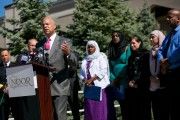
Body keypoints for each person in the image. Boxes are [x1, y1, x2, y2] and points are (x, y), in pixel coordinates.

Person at [37, 16, 78, 120]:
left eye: (47, 24)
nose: (45, 26)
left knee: (60, 117)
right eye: (43, 24)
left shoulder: (64, 41)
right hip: (44, 87)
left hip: (59, 86)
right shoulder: (40, 44)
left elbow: (74, 63)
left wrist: (68, 53)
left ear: (54, 26)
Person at [157, 9, 180, 120]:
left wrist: (168, 61)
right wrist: (162, 60)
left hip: (177, 73)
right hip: (168, 74)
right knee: (170, 106)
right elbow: (161, 50)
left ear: (178, 19)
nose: (167, 19)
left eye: (170, 17)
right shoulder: (169, 34)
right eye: (167, 17)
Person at [80, 40, 110, 120]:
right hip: (88, 87)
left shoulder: (100, 57)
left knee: (98, 109)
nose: (90, 48)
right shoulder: (85, 59)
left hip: (98, 87)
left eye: (92, 47)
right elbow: (81, 74)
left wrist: (92, 79)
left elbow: (103, 70)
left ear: (96, 48)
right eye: (88, 47)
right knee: (89, 108)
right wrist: (85, 80)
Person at [107, 31, 131, 120]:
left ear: (121, 37)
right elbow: (110, 67)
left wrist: (119, 78)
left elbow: (128, 64)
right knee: (119, 105)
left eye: (117, 36)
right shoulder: (112, 49)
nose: (115, 37)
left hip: (125, 81)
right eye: (113, 36)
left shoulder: (127, 48)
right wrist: (113, 79)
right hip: (115, 82)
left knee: (126, 106)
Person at [15, 38, 40, 120]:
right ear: (28, 46)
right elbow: (18, 68)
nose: (34, 47)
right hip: (26, 87)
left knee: (37, 109)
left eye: (35, 45)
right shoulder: (22, 56)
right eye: (32, 45)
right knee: (27, 111)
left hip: (39, 87)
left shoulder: (41, 56)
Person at [126, 36, 151, 120]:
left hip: (143, 86)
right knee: (134, 112)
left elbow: (145, 70)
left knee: (144, 111)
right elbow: (129, 71)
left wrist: (135, 81)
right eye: (131, 43)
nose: (132, 45)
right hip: (132, 88)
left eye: (134, 43)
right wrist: (130, 81)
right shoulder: (131, 57)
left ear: (139, 43)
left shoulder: (146, 54)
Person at [149, 30, 169, 120]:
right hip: (152, 84)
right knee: (156, 111)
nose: (151, 39)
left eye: (153, 37)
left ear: (159, 37)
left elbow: (167, 65)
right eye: (150, 37)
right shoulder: (151, 51)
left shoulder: (164, 50)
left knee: (164, 111)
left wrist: (160, 76)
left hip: (163, 85)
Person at [0, 48, 16, 120]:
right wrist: (3, 87)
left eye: (6, 55)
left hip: (15, 95)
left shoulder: (16, 66)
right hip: (3, 95)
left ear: (9, 55)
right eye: (2, 56)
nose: (4, 57)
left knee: (17, 114)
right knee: (3, 116)